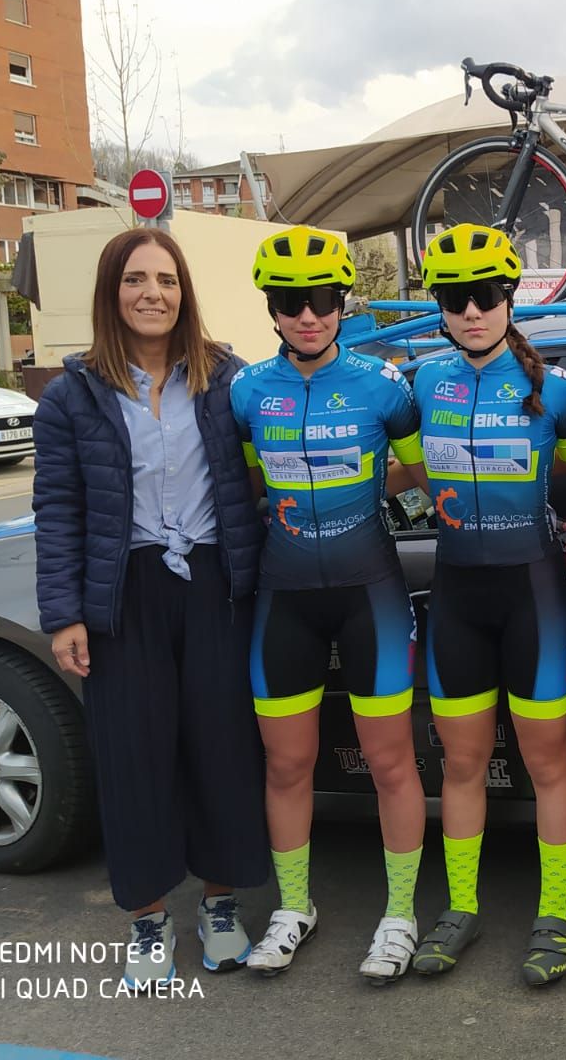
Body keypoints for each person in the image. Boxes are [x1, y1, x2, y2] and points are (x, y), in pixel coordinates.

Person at [33, 227, 268, 989]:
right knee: (135, 757)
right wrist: (64, 613)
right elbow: (58, 510)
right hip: (124, 592)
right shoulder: (73, 396)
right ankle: (147, 918)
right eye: (135, 280)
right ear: (112, 293)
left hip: (213, 582)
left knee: (221, 749)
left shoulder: (227, 379)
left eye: (165, 280)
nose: (152, 294)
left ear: (184, 291)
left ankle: (222, 904)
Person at [231, 226, 430, 983]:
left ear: (342, 304)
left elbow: (416, 474)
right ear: (273, 309)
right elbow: (250, 485)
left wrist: (346, 491)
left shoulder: (383, 386)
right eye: (291, 302)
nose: (308, 315)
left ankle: (400, 913)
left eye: (322, 301)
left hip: (367, 591)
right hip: (285, 599)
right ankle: (293, 908)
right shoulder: (249, 391)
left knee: (389, 762)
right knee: (287, 765)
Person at [405, 224, 566, 985]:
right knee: (463, 764)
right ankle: (461, 907)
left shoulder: (556, 390)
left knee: (549, 763)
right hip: (458, 593)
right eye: (456, 298)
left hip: (534, 595)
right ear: (441, 306)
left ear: (512, 298)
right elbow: (404, 472)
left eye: (488, 296)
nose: (473, 310)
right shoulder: (418, 382)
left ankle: (554, 914)